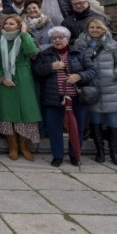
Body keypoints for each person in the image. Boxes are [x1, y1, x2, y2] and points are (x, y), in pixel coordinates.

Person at [32, 26, 98, 167]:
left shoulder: (78, 53)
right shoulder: (45, 54)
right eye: (54, 38)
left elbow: (92, 71)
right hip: (54, 97)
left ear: (67, 39)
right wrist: (51, 67)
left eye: (60, 37)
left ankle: (74, 155)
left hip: (76, 98)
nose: (57, 40)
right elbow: (37, 71)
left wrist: (79, 76)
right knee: (54, 128)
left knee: (77, 127)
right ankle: (58, 156)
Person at [73, 18, 117, 166]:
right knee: (95, 119)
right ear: (87, 29)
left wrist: (116, 74)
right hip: (91, 87)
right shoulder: (81, 44)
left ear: (104, 29)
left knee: (112, 120)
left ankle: (114, 152)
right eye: (92, 27)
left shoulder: (113, 45)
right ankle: (100, 151)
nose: (95, 30)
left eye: (98, 27)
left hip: (111, 86)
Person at [0, 15, 41, 161]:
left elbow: (31, 51)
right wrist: (1, 78)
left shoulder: (24, 38)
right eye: (6, 23)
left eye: (11, 23)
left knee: (26, 112)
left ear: (19, 25)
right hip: (4, 80)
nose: (7, 26)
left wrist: (24, 33)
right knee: (7, 114)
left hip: (23, 78)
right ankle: (13, 146)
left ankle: (25, 146)